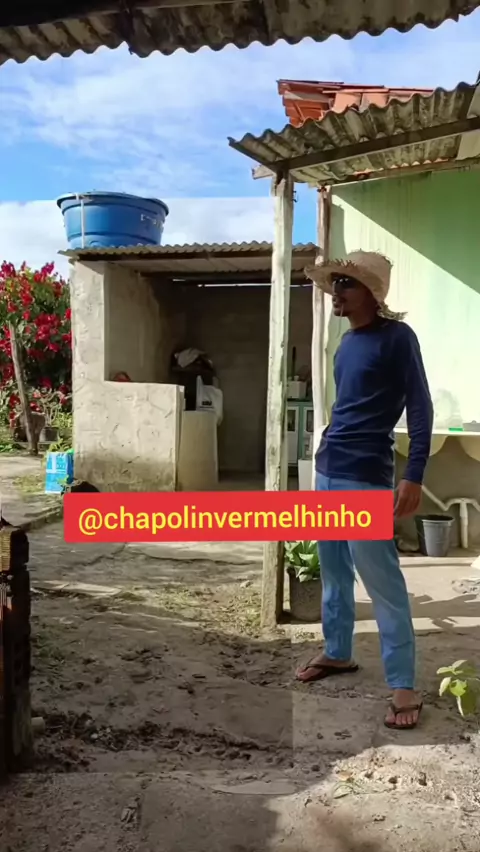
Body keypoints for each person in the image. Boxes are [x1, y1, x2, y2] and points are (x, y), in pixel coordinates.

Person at [298, 250, 433, 731]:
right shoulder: (346, 343)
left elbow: (420, 406)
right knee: (334, 572)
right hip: (328, 468)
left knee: (383, 584)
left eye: (346, 284)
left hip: (365, 475)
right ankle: (338, 652)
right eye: (335, 283)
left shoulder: (397, 338)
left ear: (372, 294)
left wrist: (414, 473)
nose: (336, 291)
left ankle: (403, 685)